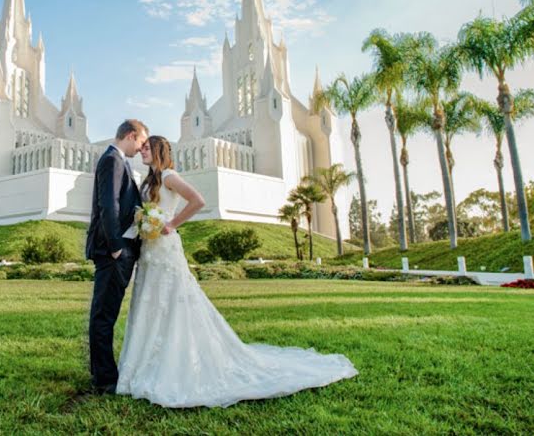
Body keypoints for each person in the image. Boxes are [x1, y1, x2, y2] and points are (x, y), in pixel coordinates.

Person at [116, 135, 358, 408]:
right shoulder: (149, 180)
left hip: (166, 249)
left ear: (158, 150)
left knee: (173, 302)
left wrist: (171, 223)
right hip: (150, 251)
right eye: (142, 147)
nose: (142, 151)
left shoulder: (170, 176)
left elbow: (197, 200)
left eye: (147, 148)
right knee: (150, 302)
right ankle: (147, 361)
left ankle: (175, 362)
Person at [85, 119, 149, 394]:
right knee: (104, 315)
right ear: (131, 136)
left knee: (106, 313)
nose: (142, 147)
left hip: (120, 249)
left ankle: (103, 371)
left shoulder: (120, 161)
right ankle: (105, 379)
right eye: (142, 142)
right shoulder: (112, 160)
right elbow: (108, 204)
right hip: (113, 251)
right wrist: (115, 246)